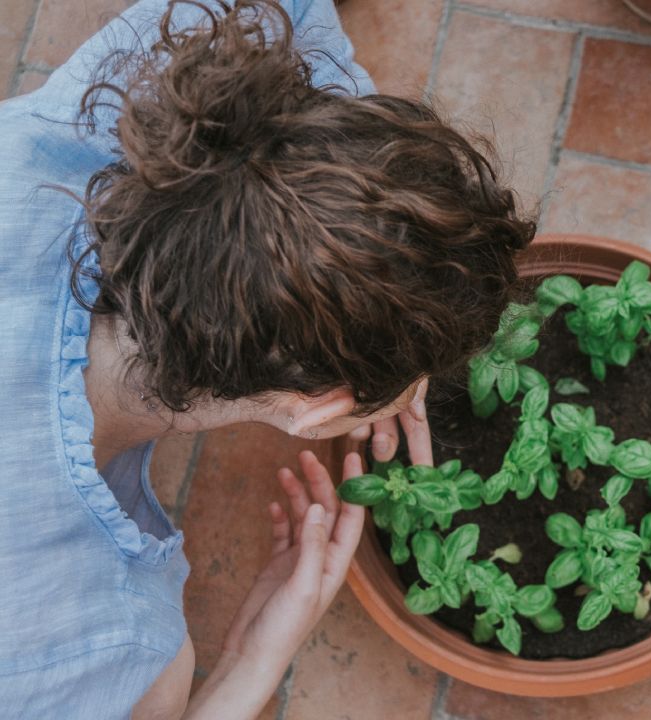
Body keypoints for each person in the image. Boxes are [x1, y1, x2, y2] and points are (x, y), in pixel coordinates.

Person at [0, 0, 534, 717]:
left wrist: (349, 228)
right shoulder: (97, 636)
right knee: (164, 682)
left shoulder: (90, 115)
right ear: (319, 410)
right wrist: (252, 665)